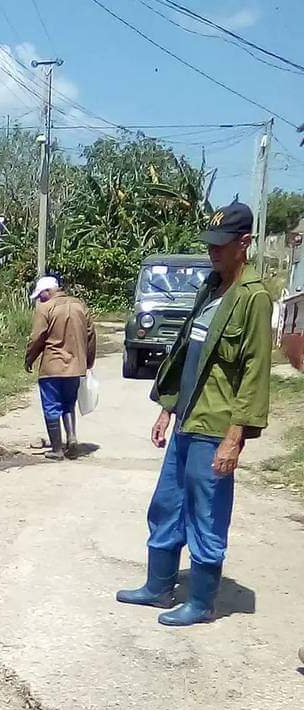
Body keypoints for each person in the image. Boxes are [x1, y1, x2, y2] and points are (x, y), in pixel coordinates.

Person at [116, 201, 272, 626]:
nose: (213, 252)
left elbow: (256, 372)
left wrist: (234, 437)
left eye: (222, 245)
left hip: (216, 426)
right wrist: (167, 409)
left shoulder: (252, 298)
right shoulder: (211, 287)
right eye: (210, 244)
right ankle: (158, 586)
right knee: (167, 504)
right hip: (187, 420)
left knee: (206, 514)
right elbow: (187, 353)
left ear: (245, 243)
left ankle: (202, 602)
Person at [25, 275, 96, 460]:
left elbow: (37, 337)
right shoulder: (80, 305)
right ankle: (71, 439)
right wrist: (88, 361)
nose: (39, 299)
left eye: (40, 294)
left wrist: (29, 358)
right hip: (75, 367)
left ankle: (57, 449)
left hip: (52, 367)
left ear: (48, 292)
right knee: (68, 403)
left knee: (51, 405)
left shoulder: (46, 308)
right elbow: (91, 335)